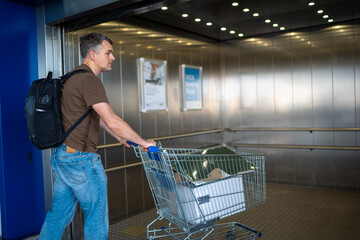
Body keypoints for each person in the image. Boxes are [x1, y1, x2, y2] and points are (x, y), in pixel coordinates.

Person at [39, 32, 156, 240]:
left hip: (62, 156)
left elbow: (91, 117)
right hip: (82, 160)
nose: (113, 57)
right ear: (92, 54)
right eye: (108, 53)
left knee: (57, 215)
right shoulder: (89, 81)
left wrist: (119, 137)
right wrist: (142, 141)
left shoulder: (71, 77)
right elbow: (111, 119)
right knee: (96, 217)